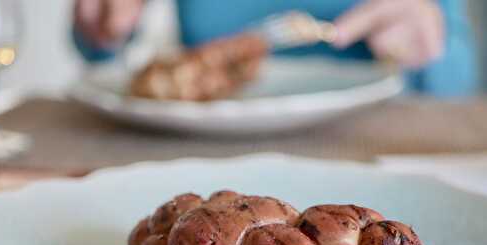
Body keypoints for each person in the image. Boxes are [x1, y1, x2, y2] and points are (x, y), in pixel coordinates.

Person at [73, 0, 477, 97]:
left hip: (371, 144)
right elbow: (100, 53)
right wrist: (107, 26)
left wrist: (430, 43)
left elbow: (458, 80)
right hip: (200, 146)